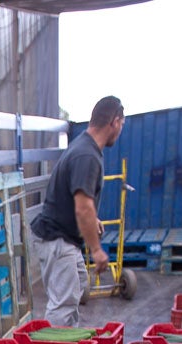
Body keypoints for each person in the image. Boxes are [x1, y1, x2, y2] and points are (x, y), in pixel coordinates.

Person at [30, 96, 125, 327]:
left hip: (59, 238)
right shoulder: (87, 155)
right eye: (122, 123)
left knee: (78, 284)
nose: (121, 129)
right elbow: (83, 207)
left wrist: (93, 220)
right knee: (62, 309)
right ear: (114, 121)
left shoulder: (84, 146)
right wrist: (97, 250)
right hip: (58, 240)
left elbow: (77, 199)